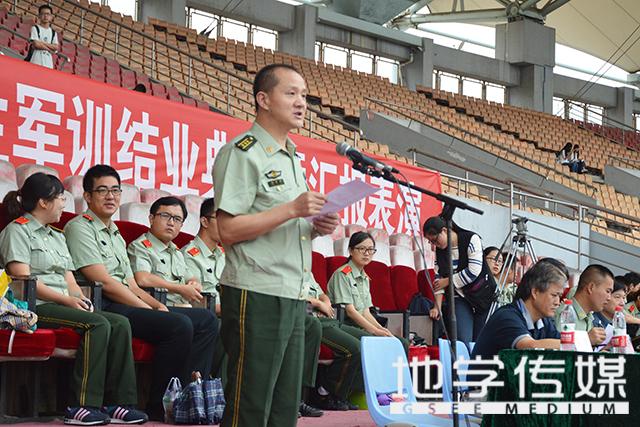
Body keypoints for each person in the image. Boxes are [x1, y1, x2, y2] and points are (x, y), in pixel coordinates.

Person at [212, 63, 340, 427]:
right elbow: (227, 230)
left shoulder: (292, 158)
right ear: (263, 99)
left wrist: (315, 226)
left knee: (284, 407)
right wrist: (293, 209)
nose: (301, 103)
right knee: (250, 405)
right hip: (257, 290)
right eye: (291, 93)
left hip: (292, 292)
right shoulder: (243, 152)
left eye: (304, 95)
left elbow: (283, 222)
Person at [64, 165, 212, 421]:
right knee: (178, 325)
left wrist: (156, 305)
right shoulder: (80, 227)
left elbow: (132, 284)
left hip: (126, 299)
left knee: (207, 321)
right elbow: (104, 282)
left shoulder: (115, 234)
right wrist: (148, 308)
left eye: (115, 190)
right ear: (87, 196)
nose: (110, 196)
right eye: (103, 190)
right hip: (103, 302)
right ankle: (161, 404)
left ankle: (190, 396)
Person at [0, 173, 148, 425]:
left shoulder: (57, 236)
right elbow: (22, 279)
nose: (63, 203)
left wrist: (80, 299)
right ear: (43, 202)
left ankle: (119, 404)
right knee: (97, 324)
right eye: (60, 198)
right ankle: (81, 405)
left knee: (119, 322)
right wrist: (67, 301)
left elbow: (70, 280)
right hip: (33, 307)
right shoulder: (17, 231)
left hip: (62, 304)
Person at [127, 196, 218, 370]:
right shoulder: (140, 246)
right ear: (151, 218)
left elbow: (190, 278)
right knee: (207, 320)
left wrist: (193, 283)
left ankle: (196, 380)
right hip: (156, 307)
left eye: (177, 219)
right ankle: (190, 380)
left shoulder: (176, 252)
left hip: (181, 308)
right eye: (165, 216)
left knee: (210, 321)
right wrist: (179, 288)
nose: (171, 223)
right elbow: (142, 278)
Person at [326, 232, 409, 352]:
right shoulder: (342, 274)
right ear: (350, 251)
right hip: (344, 325)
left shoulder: (365, 278)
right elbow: (350, 311)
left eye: (370, 249)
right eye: (361, 249)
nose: (366, 253)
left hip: (360, 326)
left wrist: (381, 329)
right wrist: (375, 331)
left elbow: (366, 312)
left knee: (401, 342)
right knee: (377, 342)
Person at [471, 259, 565, 360]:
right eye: (554, 295)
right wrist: (572, 343)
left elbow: (561, 342)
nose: (557, 302)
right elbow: (530, 346)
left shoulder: (544, 321)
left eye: (559, 296)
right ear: (535, 292)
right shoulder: (507, 316)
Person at [423, 216, 496, 344]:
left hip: (482, 295)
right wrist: (437, 307)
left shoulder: (471, 239)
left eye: (435, 240)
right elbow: (438, 280)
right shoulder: (440, 251)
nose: (434, 244)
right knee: (463, 340)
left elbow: (473, 271)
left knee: (480, 341)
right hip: (459, 297)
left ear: (444, 230)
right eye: (431, 242)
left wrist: (448, 281)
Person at [305, 275, 366, 412]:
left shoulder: (308, 271)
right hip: (311, 322)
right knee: (354, 349)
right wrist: (319, 304)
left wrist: (326, 303)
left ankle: (344, 394)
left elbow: (322, 294)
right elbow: (295, 297)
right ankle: (324, 394)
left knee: (368, 342)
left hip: (328, 320)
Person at [554, 264, 613, 347]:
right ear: (591, 288)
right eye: (607, 291)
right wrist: (586, 339)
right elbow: (559, 349)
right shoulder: (565, 314)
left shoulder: (589, 317)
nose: (609, 298)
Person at [28, 4, 59, 69]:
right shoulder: (35, 28)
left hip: (48, 62)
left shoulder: (53, 32)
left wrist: (41, 43)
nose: (45, 16)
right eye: (43, 14)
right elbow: (36, 44)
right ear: (39, 16)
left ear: (51, 16)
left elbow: (56, 47)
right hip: (36, 60)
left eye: (48, 14)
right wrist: (49, 49)